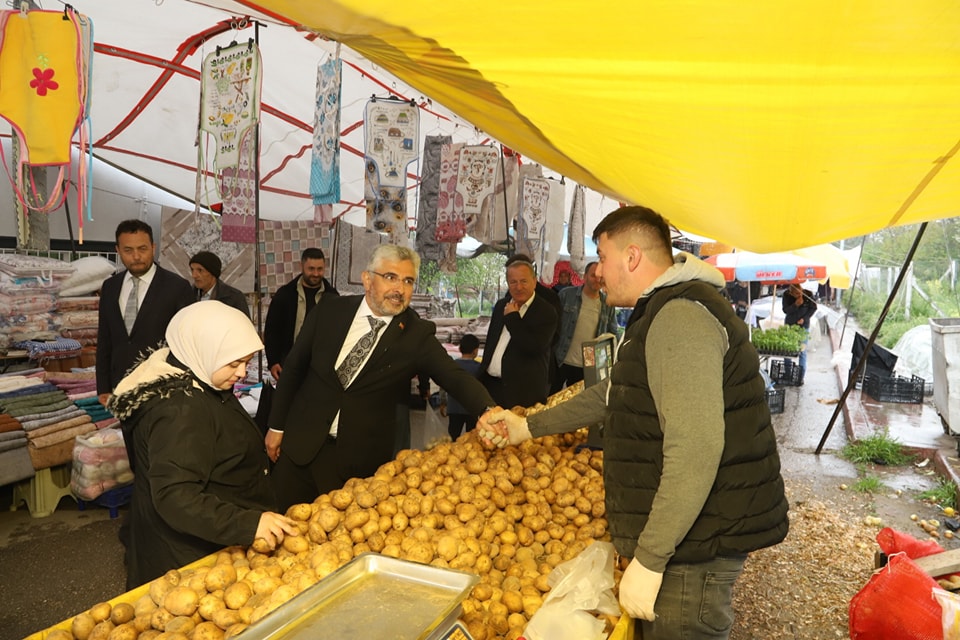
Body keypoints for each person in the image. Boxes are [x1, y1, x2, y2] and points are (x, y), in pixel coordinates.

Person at [480, 206, 789, 640]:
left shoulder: (679, 318)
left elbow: (696, 446)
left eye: (602, 258)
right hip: (690, 539)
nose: (598, 272)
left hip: (694, 549)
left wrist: (650, 557)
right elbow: (613, 394)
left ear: (631, 257)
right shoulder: (661, 312)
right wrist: (528, 426)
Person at [265, 245, 496, 510]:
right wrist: (276, 427)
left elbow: (453, 375)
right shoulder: (330, 309)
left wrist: (486, 408)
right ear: (367, 279)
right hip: (298, 449)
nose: (400, 288)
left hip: (354, 466)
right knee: (276, 530)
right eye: (390, 277)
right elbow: (294, 368)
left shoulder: (415, 334)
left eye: (408, 281)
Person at [106, 301, 300, 589]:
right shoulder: (180, 409)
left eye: (246, 362)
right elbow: (175, 496)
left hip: (206, 541)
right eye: (234, 363)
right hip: (190, 557)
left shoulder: (194, 374)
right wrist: (248, 524)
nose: (242, 373)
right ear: (202, 348)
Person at [96, 219, 194, 408]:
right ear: (118, 250)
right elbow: (105, 340)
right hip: (121, 386)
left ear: (153, 247)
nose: (136, 256)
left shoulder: (177, 287)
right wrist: (103, 387)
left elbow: (187, 342)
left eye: (142, 249)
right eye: (128, 250)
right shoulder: (110, 287)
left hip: (163, 388)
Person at [480, 257, 559, 409]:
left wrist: (512, 318)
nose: (518, 287)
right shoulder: (502, 305)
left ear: (534, 282)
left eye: (524, 281)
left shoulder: (546, 312)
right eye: (513, 282)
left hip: (522, 394)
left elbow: (534, 347)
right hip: (492, 388)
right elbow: (491, 342)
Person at [263, 247, 339, 382]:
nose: (316, 274)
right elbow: (272, 331)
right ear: (301, 266)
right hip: (289, 364)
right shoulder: (285, 295)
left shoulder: (332, 297)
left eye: (320, 269)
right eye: (311, 269)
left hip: (320, 368)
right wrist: (273, 361)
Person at [552, 261, 619, 391]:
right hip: (561, 360)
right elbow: (552, 325)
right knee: (551, 400)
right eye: (593, 275)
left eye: (601, 276)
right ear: (584, 276)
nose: (597, 279)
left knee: (577, 404)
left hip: (588, 367)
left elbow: (613, 334)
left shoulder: (608, 303)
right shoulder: (566, 295)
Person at [439, 334, 482, 440]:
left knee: (453, 436)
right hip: (472, 409)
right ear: (475, 351)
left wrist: (443, 402)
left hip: (454, 408)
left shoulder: (452, 366)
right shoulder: (478, 368)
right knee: (472, 438)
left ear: (459, 348)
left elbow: (444, 385)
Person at [188, 250, 250, 318]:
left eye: (200, 270)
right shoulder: (187, 295)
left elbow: (244, 326)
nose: (194, 275)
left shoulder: (234, 297)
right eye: (192, 270)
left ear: (213, 273)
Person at [782, 283, 818, 384]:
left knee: (802, 351)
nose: (799, 295)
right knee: (788, 350)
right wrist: (795, 305)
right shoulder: (786, 295)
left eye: (800, 293)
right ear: (791, 292)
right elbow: (785, 310)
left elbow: (813, 308)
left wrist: (804, 318)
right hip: (790, 325)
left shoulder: (808, 295)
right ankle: (787, 374)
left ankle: (800, 376)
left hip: (803, 327)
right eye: (796, 294)